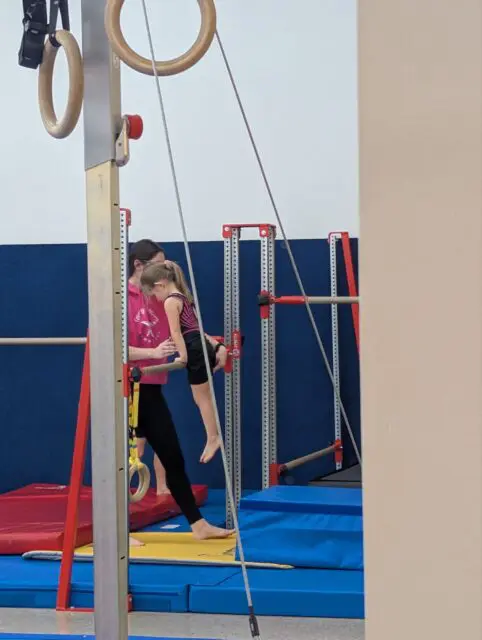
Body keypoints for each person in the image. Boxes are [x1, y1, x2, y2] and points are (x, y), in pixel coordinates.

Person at [127, 239, 233, 543]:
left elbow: (188, 329)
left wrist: (216, 344)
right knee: (124, 460)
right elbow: (109, 344)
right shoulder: (123, 298)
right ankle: (119, 527)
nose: (167, 268)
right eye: (160, 263)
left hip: (151, 390)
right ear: (140, 266)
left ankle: (198, 525)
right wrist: (152, 353)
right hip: (126, 389)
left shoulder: (162, 296)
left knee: (172, 456)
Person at [140, 260, 221, 464]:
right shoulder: (183, 296)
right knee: (204, 398)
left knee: (202, 399)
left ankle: (213, 437)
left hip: (194, 349)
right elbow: (191, 328)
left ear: (161, 285)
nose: (156, 299)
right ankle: (214, 436)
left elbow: (177, 332)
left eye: (154, 294)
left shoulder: (170, 301)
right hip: (200, 345)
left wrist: (182, 357)